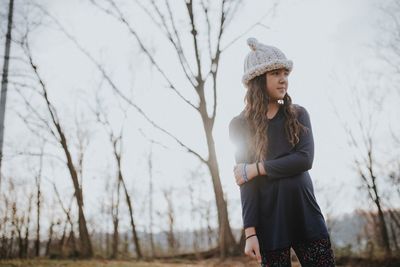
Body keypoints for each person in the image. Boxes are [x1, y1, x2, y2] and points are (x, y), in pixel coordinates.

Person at [229, 38, 336, 267]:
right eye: (275, 73)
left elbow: (304, 159)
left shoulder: (298, 115)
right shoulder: (240, 125)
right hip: (270, 222)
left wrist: (258, 168)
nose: (283, 79)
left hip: (305, 213)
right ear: (258, 79)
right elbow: (244, 180)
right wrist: (250, 233)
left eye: (285, 73)